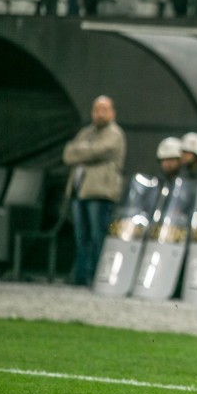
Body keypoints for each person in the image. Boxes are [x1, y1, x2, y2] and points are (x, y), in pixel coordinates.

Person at [62, 96, 126, 286]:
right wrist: (83, 150)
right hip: (79, 191)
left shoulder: (115, 134)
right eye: (96, 109)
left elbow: (97, 151)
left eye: (104, 109)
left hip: (100, 192)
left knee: (98, 236)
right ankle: (81, 276)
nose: (99, 113)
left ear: (112, 113)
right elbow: (67, 154)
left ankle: (98, 278)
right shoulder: (86, 132)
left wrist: (80, 152)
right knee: (81, 237)